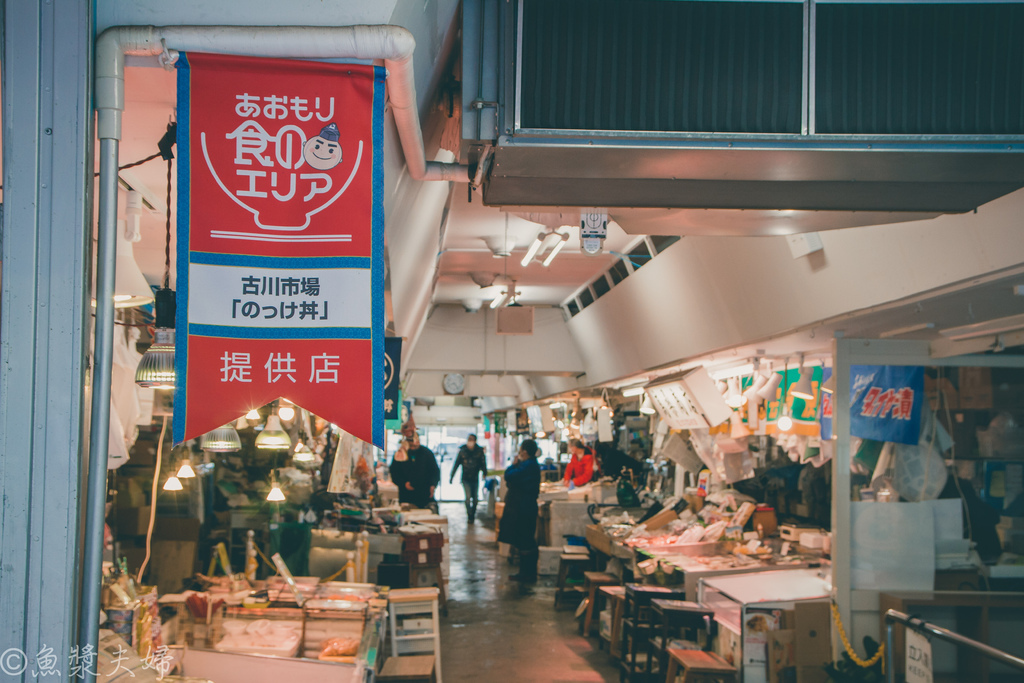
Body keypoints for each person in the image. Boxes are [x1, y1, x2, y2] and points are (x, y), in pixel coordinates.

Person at [497, 439, 541, 583]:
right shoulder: (530, 465)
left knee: (525, 539)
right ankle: (526, 572)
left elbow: (509, 476)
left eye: (521, 449)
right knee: (525, 539)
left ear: (525, 452)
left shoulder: (528, 465)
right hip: (524, 506)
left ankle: (527, 573)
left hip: (524, 508)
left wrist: (513, 465)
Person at [390, 432, 440, 510]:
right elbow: (394, 472)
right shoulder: (400, 453)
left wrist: (433, 485)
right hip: (406, 494)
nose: (413, 447)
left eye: (415, 445)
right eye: (411, 445)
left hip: (424, 493)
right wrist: (404, 483)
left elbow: (435, 471)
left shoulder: (427, 453)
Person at [450, 434, 487, 523]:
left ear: (475, 441)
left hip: (475, 478)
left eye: (472, 439)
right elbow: (456, 464)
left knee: (475, 499)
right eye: (469, 439)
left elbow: (483, 463)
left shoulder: (479, 451)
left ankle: (472, 514)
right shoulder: (462, 451)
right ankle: (469, 515)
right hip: (465, 478)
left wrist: (484, 473)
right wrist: (452, 476)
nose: (470, 441)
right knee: (468, 497)